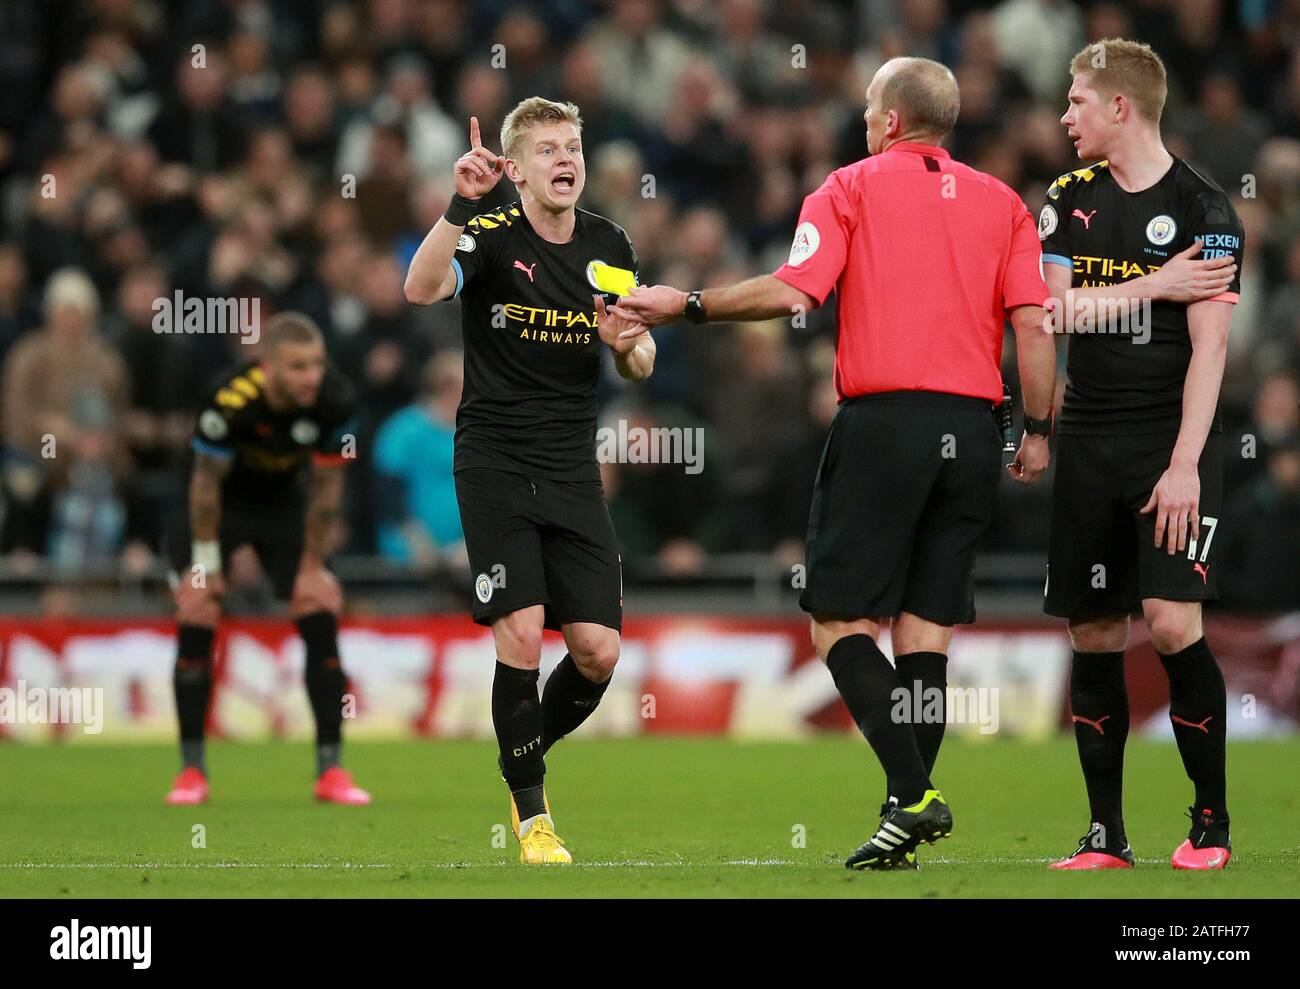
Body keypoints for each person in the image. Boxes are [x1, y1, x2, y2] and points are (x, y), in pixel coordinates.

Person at [615, 57, 1057, 869]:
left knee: (837, 623)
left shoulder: (848, 188)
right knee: (926, 633)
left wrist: (688, 304)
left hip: (885, 423)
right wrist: (1037, 431)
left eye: (866, 108)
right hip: (974, 427)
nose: (861, 120)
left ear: (889, 119)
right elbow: (1034, 326)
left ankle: (914, 791)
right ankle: (902, 813)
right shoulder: (1004, 205)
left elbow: (795, 292)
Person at [404, 98, 656, 864]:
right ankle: (534, 817)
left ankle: (520, 749)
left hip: (572, 463)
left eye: (573, 146)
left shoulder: (609, 242)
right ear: (515, 168)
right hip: (495, 459)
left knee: (599, 653)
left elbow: (641, 359)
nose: (566, 160)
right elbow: (418, 288)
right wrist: (457, 205)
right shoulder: (486, 234)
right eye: (547, 149)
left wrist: (625, 347)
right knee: (520, 631)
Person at [1037, 39, 1243, 870]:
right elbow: (1053, 315)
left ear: (1120, 107)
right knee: (1092, 631)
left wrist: (1187, 462)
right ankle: (1105, 836)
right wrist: (1155, 284)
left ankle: (1210, 824)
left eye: (1077, 101)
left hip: (1171, 440)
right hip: (1088, 436)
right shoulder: (1066, 198)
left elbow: (1211, 350)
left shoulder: (1208, 211)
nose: (1064, 117)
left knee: (1168, 621)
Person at [164, 312, 370, 807]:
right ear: (267, 366)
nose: (311, 377)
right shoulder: (229, 400)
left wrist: (312, 566)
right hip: (216, 506)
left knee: (318, 608)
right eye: (298, 367)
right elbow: (204, 485)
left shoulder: (335, 402)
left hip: (283, 506)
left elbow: (325, 491)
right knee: (198, 611)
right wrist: (208, 565)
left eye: (316, 365)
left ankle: (331, 770)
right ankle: (192, 771)